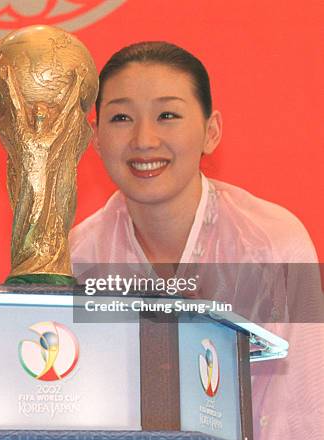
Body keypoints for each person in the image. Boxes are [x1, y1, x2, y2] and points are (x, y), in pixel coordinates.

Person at [70, 42, 322, 439]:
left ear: (211, 131)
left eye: (167, 115)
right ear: (96, 137)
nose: (144, 139)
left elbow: (305, 407)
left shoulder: (274, 243)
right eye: (121, 117)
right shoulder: (79, 257)